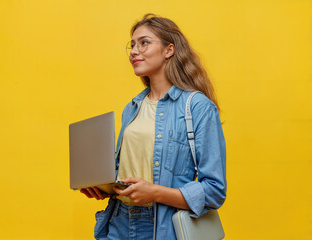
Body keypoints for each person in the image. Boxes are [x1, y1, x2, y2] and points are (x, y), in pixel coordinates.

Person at [80, 13, 227, 240]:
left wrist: (154, 193)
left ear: (169, 50)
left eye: (144, 43)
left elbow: (215, 190)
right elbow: (128, 170)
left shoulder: (198, 107)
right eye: (132, 45)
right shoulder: (133, 108)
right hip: (117, 221)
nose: (133, 51)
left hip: (160, 227)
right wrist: (104, 186)